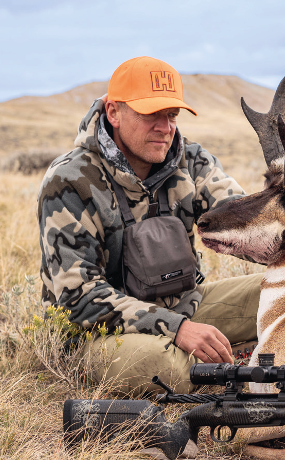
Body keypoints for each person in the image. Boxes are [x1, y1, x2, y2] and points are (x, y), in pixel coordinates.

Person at [37, 56, 261, 395]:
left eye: (171, 115)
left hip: (186, 307)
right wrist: (177, 329)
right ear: (114, 112)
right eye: (150, 114)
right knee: (166, 366)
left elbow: (245, 222)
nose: (165, 126)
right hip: (98, 335)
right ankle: (246, 377)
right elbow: (79, 299)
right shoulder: (69, 180)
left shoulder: (193, 161)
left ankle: (243, 369)